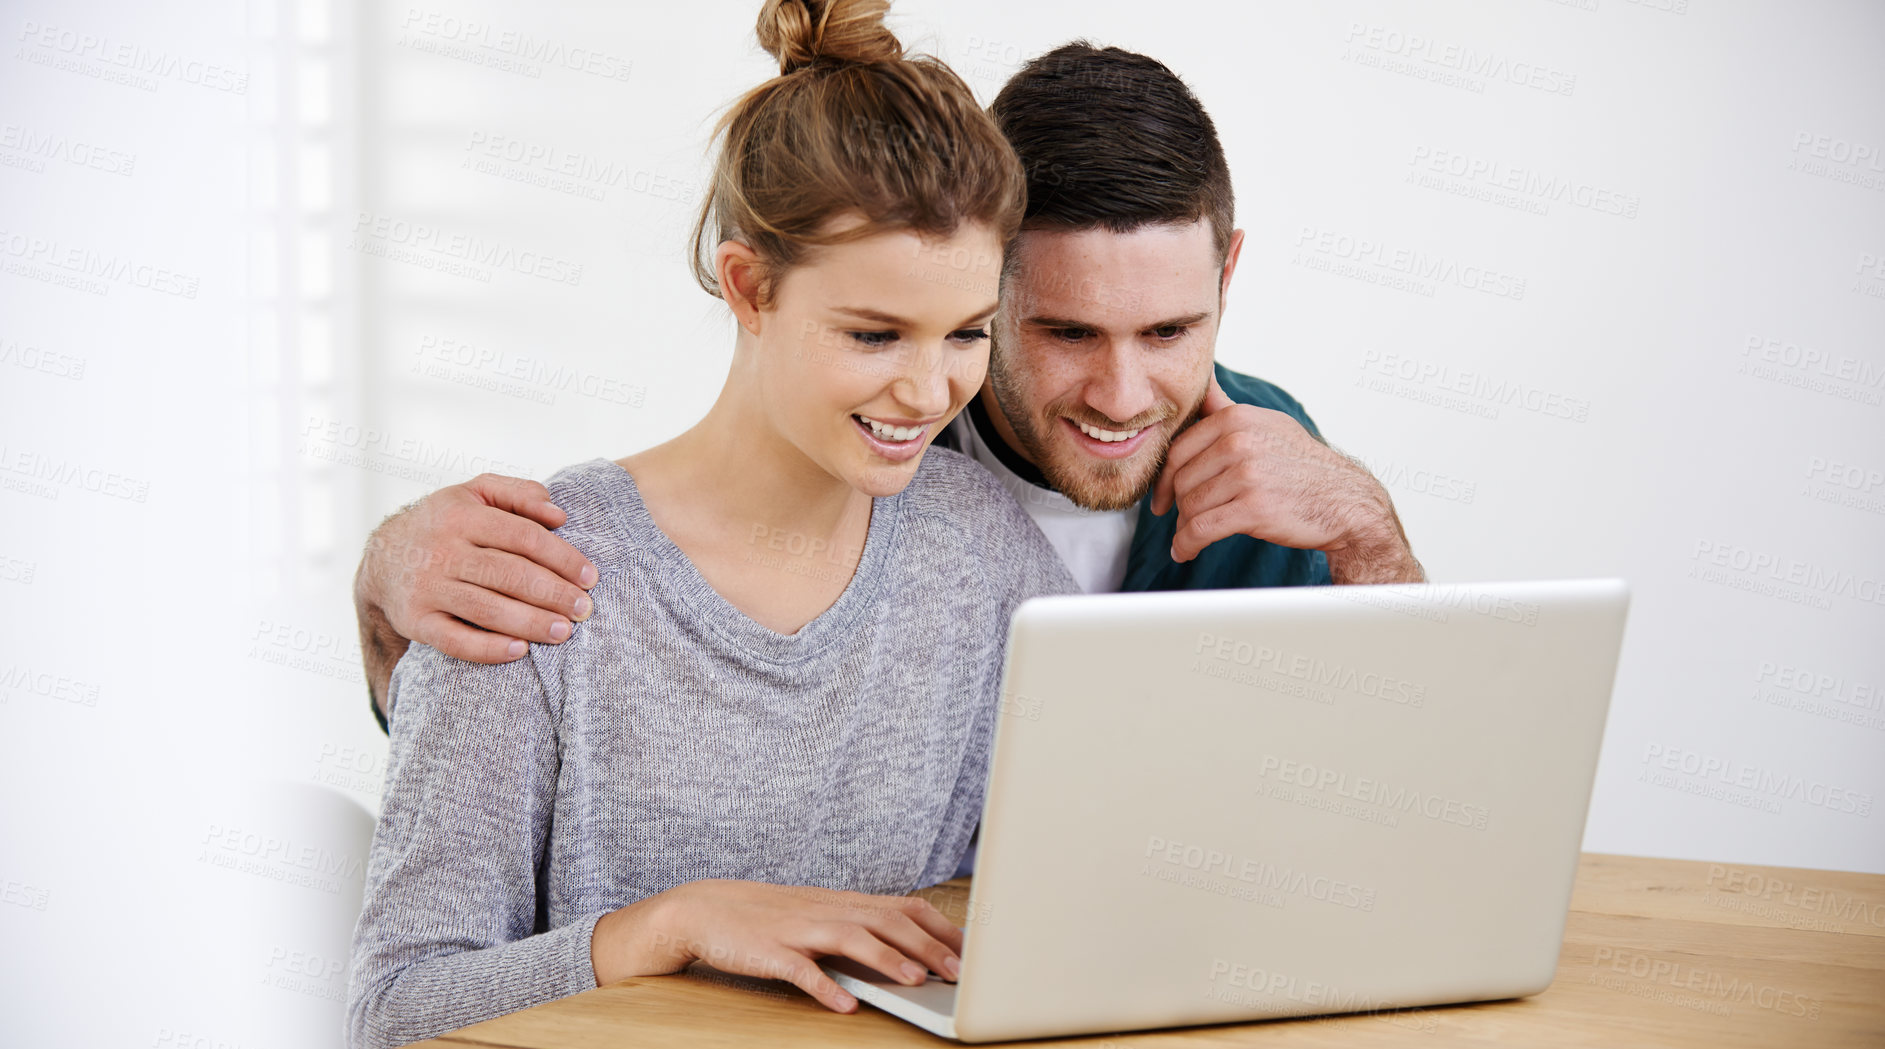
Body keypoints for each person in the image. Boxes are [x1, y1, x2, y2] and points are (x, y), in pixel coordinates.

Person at [344, 2, 1077, 1049]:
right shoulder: (529, 571)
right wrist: (670, 925)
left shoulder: (980, 548)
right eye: (874, 333)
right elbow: (394, 1013)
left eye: (966, 333)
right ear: (749, 286)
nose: (930, 389)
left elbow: (1087, 864)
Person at [350, 41, 1424, 729]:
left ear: (1227, 275)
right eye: (1064, 331)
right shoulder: (871, 446)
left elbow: (1407, 778)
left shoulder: (1275, 455)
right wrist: (385, 580)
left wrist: (1374, 541)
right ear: (981, 283)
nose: (1121, 391)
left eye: (1170, 329)